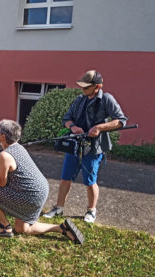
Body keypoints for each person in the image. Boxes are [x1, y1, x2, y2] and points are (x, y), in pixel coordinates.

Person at [0, 119, 84, 244]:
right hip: (40, 191)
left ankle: (5, 227)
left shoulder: (4, 156)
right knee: (22, 229)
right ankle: (61, 228)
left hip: (29, 195)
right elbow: (2, 168)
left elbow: (1, 183)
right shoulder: (18, 147)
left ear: (3, 136)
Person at [43, 70, 127, 223]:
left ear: (97, 86)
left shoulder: (107, 99)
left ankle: (91, 211)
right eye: (82, 86)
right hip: (75, 146)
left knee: (90, 180)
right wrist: (73, 126)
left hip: (94, 148)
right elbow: (66, 119)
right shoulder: (79, 100)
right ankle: (58, 207)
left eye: (86, 87)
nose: (82, 89)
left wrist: (100, 127)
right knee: (65, 178)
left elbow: (121, 120)